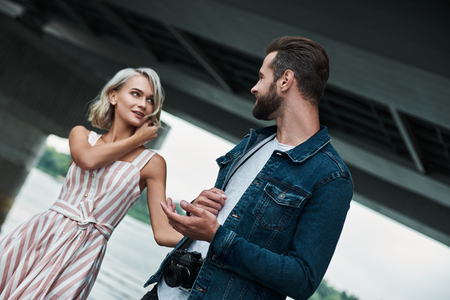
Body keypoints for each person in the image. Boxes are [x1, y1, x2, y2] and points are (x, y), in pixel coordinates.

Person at [142, 36, 354, 300]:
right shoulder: (252, 143)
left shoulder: (331, 178)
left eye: (261, 78)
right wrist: (201, 207)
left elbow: (302, 280)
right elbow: (232, 219)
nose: (254, 88)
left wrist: (217, 236)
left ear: (285, 80)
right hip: (161, 292)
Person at [0, 68, 184, 299]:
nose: (144, 104)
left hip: (84, 252)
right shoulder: (82, 136)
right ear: (113, 96)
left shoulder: (152, 163)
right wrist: (136, 139)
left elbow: (162, 234)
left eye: (150, 100)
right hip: (41, 234)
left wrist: (211, 237)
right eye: (136, 94)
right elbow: (87, 160)